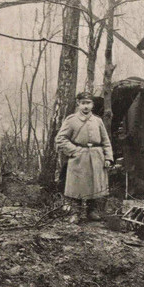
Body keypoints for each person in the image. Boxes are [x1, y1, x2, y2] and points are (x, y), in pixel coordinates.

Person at [55, 92, 114, 223]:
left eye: (88, 103)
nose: (85, 106)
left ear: (92, 105)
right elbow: (60, 139)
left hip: (96, 156)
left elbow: (106, 141)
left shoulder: (98, 121)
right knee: (76, 186)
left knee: (95, 185)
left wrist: (108, 157)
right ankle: (75, 213)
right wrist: (74, 150)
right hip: (79, 157)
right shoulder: (71, 120)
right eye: (83, 103)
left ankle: (91, 211)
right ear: (78, 104)